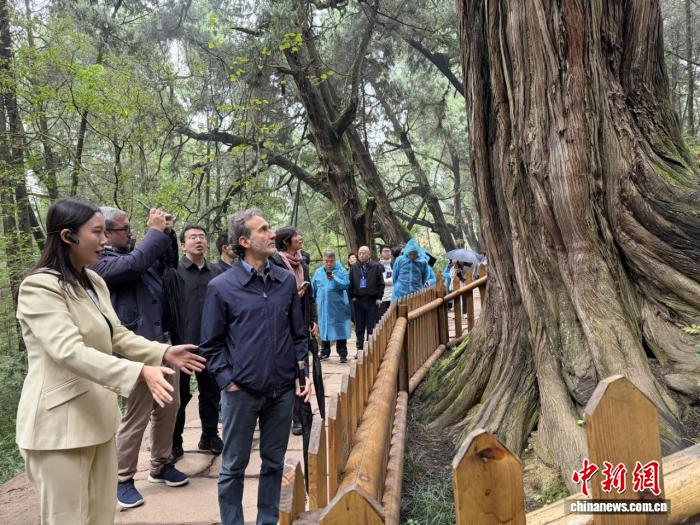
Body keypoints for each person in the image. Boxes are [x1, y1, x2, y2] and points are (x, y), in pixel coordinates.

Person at [15, 198, 205, 525]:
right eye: (97, 232)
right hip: (58, 430)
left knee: (101, 516)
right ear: (67, 236)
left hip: (99, 420)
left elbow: (117, 334)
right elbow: (68, 351)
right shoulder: (40, 287)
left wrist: (161, 352)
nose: (105, 240)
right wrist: (139, 371)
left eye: (106, 232)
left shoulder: (93, 282)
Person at [199, 208, 311, 525]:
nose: (271, 234)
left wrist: (300, 373)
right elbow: (210, 344)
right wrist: (228, 381)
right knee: (233, 466)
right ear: (244, 241)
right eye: (263, 229)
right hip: (241, 393)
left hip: (282, 391)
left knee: (274, 463)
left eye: (269, 227)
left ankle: (267, 520)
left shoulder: (285, 281)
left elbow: (298, 334)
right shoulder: (221, 286)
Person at [91, 206, 190, 508]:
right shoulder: (100, 262)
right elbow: (134, 266)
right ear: (107, 233)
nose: (131, 232)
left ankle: (161, 464)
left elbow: (167, 262)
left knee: (169, 406)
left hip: (162, 344)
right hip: (133, 349)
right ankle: (122, 478)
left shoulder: (137, 253)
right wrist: (154, 232)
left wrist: (167, 233)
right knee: (136, 414)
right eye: (124, 229)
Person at [171, 225, 224, 460]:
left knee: (211, 391)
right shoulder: (174, 272)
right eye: (193, 237)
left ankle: (209, 435)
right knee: (180, 395)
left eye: (202, 236)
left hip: (211, 343)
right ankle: (175, 442)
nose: (199, 240)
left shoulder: (217, 272)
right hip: (182, 344)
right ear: (183, 245)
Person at [269, 226, 319, 436]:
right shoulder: (274, 263)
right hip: (283, 326)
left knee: (302, 368)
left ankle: (303, 416)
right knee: (287, 371)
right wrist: (292, 296)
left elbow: (311, 295)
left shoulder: (303, 263)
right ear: (286, 241)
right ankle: (290, 416)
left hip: (302, 323)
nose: (300, 238)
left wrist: (313, 319)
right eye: (296, 236)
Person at [312, 250, 352, 363]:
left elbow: (346, 284)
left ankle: (342, 353)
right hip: (323, 306)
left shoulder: (341, 271)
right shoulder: (318, 272)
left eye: (331, 261)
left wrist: (335, 279)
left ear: (335, 261)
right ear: (323, 261)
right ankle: (325, 352)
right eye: (326, 261)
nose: (329, 263)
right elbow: (313, 288)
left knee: (340, 327)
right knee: (324, 327)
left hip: (338, 306)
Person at [348, 246, 384, 353]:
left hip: (372, 301)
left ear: (369, 254)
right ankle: (359, 349)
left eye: (364, 253)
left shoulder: (376, 266)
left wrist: (379, 297)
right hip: (358, 301)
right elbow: (350, 284)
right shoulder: (354, 267)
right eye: (360, 253)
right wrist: (352, 297)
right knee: (359, 327)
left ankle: (370, 349)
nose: (361, 255)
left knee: (371, 326)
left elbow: (381, 283)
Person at [391, 238, 433, 302]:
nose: (412, 256)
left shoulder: (423, 262)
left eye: (415, 254)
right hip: (400, 292)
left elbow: (425, 276)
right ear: (407, 252)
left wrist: (419, 285)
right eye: (410, 254)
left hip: (416, 291)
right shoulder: (400, 260)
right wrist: (396, 286)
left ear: (418, 252)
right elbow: (395, 275)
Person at [378, 245, 394, 317]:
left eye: (388, 251)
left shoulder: (394, 264)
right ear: (381, 253)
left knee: (394, 316)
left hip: (394, 295)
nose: (387, 253)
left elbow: (397, 278)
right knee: (383, 318)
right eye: (385, 251)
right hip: (383, 297)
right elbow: (378, 281)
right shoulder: (377, 266)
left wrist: (384, 281)